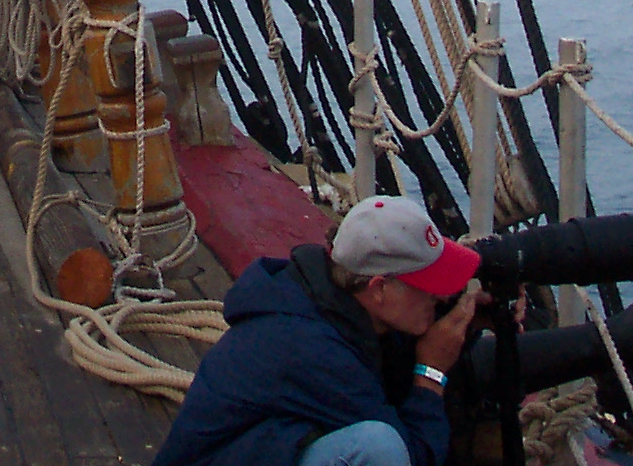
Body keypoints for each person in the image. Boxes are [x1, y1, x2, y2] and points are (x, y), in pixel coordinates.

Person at [152, 195, 484, 466]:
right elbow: (415, 456)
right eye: (427, 286)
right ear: (379, 288)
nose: (440, 296)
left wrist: (470, 322)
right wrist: (431, 371)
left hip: (260, 450)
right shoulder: (313, 349)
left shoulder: (328, 301)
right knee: (379, 448)